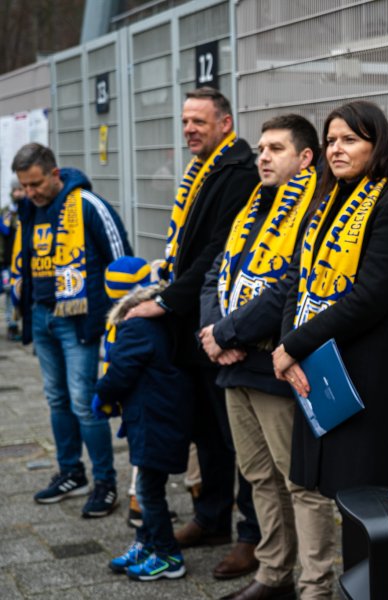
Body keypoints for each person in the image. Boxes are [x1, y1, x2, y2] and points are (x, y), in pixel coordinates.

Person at [271, 100, 388, 598]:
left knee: (363, 504)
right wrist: (289, 343)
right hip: (315, 367)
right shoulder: (325, 202)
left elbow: (369, 299)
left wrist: (293, 344)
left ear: (376, 145)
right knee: (316, 488)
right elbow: (299, 282)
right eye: (331, 140)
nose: (336, 149)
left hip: (361, 379)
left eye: (349, 140)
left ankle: (365, 589)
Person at [124, 87, 262, 578]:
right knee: (207, 432)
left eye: (199, 122)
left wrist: (166, 301)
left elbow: (215, 254)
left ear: (225, 123)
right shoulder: (203, 169)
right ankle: (211, 518)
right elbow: (186, 247)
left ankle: (252, 536)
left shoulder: (239, 172)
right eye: (185, 122)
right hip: (194, 325)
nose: (189, 130)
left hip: (218, 324)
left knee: (234, 438)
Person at [198, 114, 321, 600]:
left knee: (298, 484)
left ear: (304, 158)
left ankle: (315, 585)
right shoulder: (254, 205)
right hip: (232, 364)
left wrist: (226, 333)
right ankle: (273, 575)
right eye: (261, 150)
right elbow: (215, 273)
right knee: (258, 478)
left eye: (275, 149)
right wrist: (212, 333)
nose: (263, 157)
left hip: (272, 365)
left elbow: (286, 289)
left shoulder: (313, 209)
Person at [11, 142, 131, 517]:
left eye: (35, 184)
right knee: (56, 399)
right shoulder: (29, 209)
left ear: (54, 174)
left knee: (83, 401)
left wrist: (119, 318)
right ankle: (70, 472)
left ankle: (105, 482)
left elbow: (121, 257)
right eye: (24, 186)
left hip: (77, 319)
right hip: (42, 315)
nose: (29, 193)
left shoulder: (88, 205)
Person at [94, 256, 192, 581]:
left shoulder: (136, 325)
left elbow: (120, 371)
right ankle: (146, 543)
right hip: (155, 414)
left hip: (152, 418)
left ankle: (167, 554)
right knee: (148, 487)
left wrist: (102, 393)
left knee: (149, 491)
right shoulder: (156, 317)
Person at [1, 184, 23, 340]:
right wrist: (12, 214)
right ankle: (11, 324)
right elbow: (5, 230)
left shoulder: (30, 210)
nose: (18, 193)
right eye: (16, 190)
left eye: (20, 190)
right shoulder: (7, 211)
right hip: (8, 261)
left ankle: (23, 323)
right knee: (9, 290)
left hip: (24, 261)